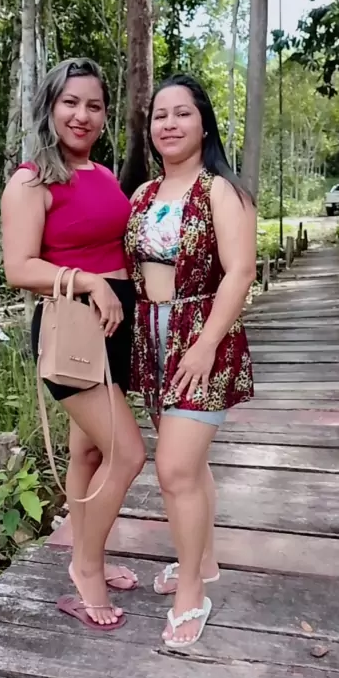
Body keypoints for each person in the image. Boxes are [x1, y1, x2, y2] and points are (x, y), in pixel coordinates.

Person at [1, 57, 146, 631]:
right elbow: (19, 267)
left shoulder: (105, 175)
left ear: (105, 115)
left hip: (115, 327)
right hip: (74, 331)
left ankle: (91, 554)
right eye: (70, 103)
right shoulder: (31, 181)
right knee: (128, 454)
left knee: (89, 453)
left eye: (94, 105)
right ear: (50, 107)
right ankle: (85, 567)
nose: (82, 115)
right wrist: (88, 282)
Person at [125, 74, 256, 647]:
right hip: (152, 339)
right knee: (192, 466)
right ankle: (203, 561)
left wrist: (204, 345)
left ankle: (191, 595)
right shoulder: (143, 195)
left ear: (204, 123)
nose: (170, 124)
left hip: (203, 339)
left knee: (175, 469)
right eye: (160, 115)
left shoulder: (221, 191)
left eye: (182, 113)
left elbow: (241, 272)